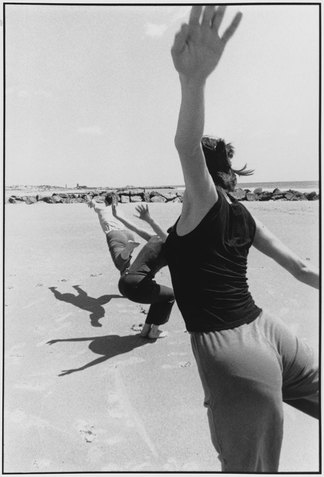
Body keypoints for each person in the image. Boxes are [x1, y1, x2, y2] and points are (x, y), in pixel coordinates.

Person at [163, 5, 319, 472]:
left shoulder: (202, 202)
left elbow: (187, 146)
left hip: (233, 351)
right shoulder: (243, 216)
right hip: (271, 331)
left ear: (205, 179)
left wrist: (194, 82)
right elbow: (302, 268)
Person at [112, 201, 175, 340]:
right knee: (170, 296)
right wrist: (149, 219)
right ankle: (154, 332)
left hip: (124, 281)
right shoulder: (171, 244)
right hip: (137, 285)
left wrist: (117, 216)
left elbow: (134, 228)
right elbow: (167, 238)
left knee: (159, 295)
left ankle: (145, 330)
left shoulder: (154, 238)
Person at [86, 193, 141, 275]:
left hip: (115, 234)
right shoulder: (119, 211)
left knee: (120, 263)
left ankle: (127, 249)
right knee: (125, 266)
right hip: (128, 233)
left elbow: (91, 202)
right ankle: (125, 283)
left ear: (105, 202)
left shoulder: (101, 208)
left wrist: (89, 198)